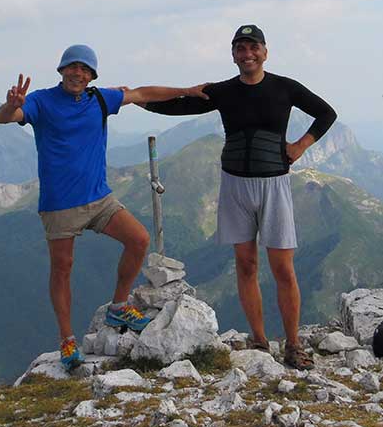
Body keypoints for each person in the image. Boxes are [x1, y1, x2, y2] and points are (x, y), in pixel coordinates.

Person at [0, 44, 208, 371]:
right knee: (62, 268)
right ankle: (67, 339)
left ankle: (119, 306)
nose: (78, 74)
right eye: (72, 67)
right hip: (59, 204)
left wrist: (186, 91)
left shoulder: (99, 99)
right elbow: (7, 118)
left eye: (85, 70)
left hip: (100, 199)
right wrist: (10, 106)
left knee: (138, 240)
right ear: (62, 69)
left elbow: (141, 94)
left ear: (92, 75)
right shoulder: (40, 100)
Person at [141, 25, 336, 370]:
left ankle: (293, 345)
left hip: (274, 183)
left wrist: (300, 147)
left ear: (265, 51)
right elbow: (179, 106)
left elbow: (326, 113)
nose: (247, 54)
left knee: (283, 269)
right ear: (233, 54)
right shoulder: (224, 91)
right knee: (245, 265)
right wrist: (134, 98)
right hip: (235, 185)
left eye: (253, 48)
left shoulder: (284, 87)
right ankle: (259, 341)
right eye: (240, 49)